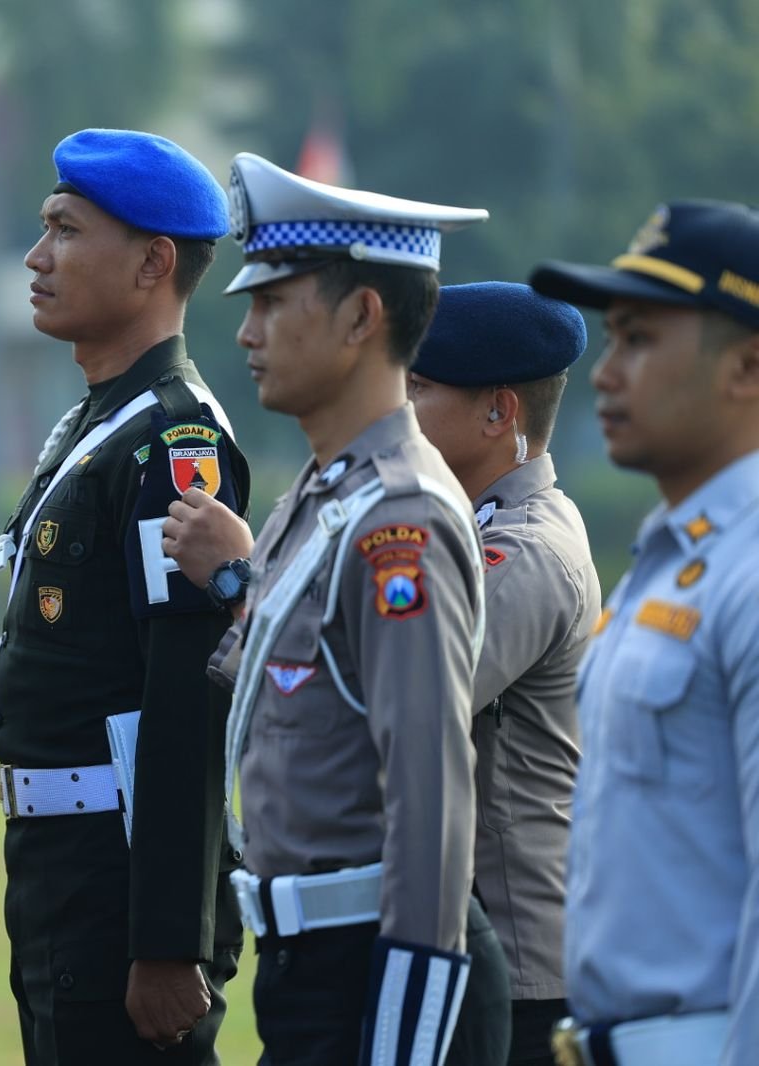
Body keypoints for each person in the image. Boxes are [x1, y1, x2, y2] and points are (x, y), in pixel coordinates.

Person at [162, 153, 508, 1065]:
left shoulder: (400, 520)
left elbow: (431, 810)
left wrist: (404, 1037)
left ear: (362, 316)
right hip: (310, 961)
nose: (247, 333)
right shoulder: (326, 494)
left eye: (274, 303)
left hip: (374, 967)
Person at [0, 128, 251, 1065]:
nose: (36, 255)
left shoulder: (174, 441)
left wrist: (170, 938)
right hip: (63, 867)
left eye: (65, 230)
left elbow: (185, 697)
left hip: (119, 875)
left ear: (153, 262)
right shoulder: (99, 424)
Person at [529, 201, 759, 1066]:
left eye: (641, 340)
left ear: (748, 365)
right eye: (611, 337)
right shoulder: (673, 558)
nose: (605, 371)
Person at [407, 282, 601, 1066]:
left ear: (498, 414)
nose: (396, 409)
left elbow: (402, 694)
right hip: (478, 942)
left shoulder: (522, 552)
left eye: (417, 389)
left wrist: (247, 589)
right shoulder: (472, 529)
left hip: (522, 962)